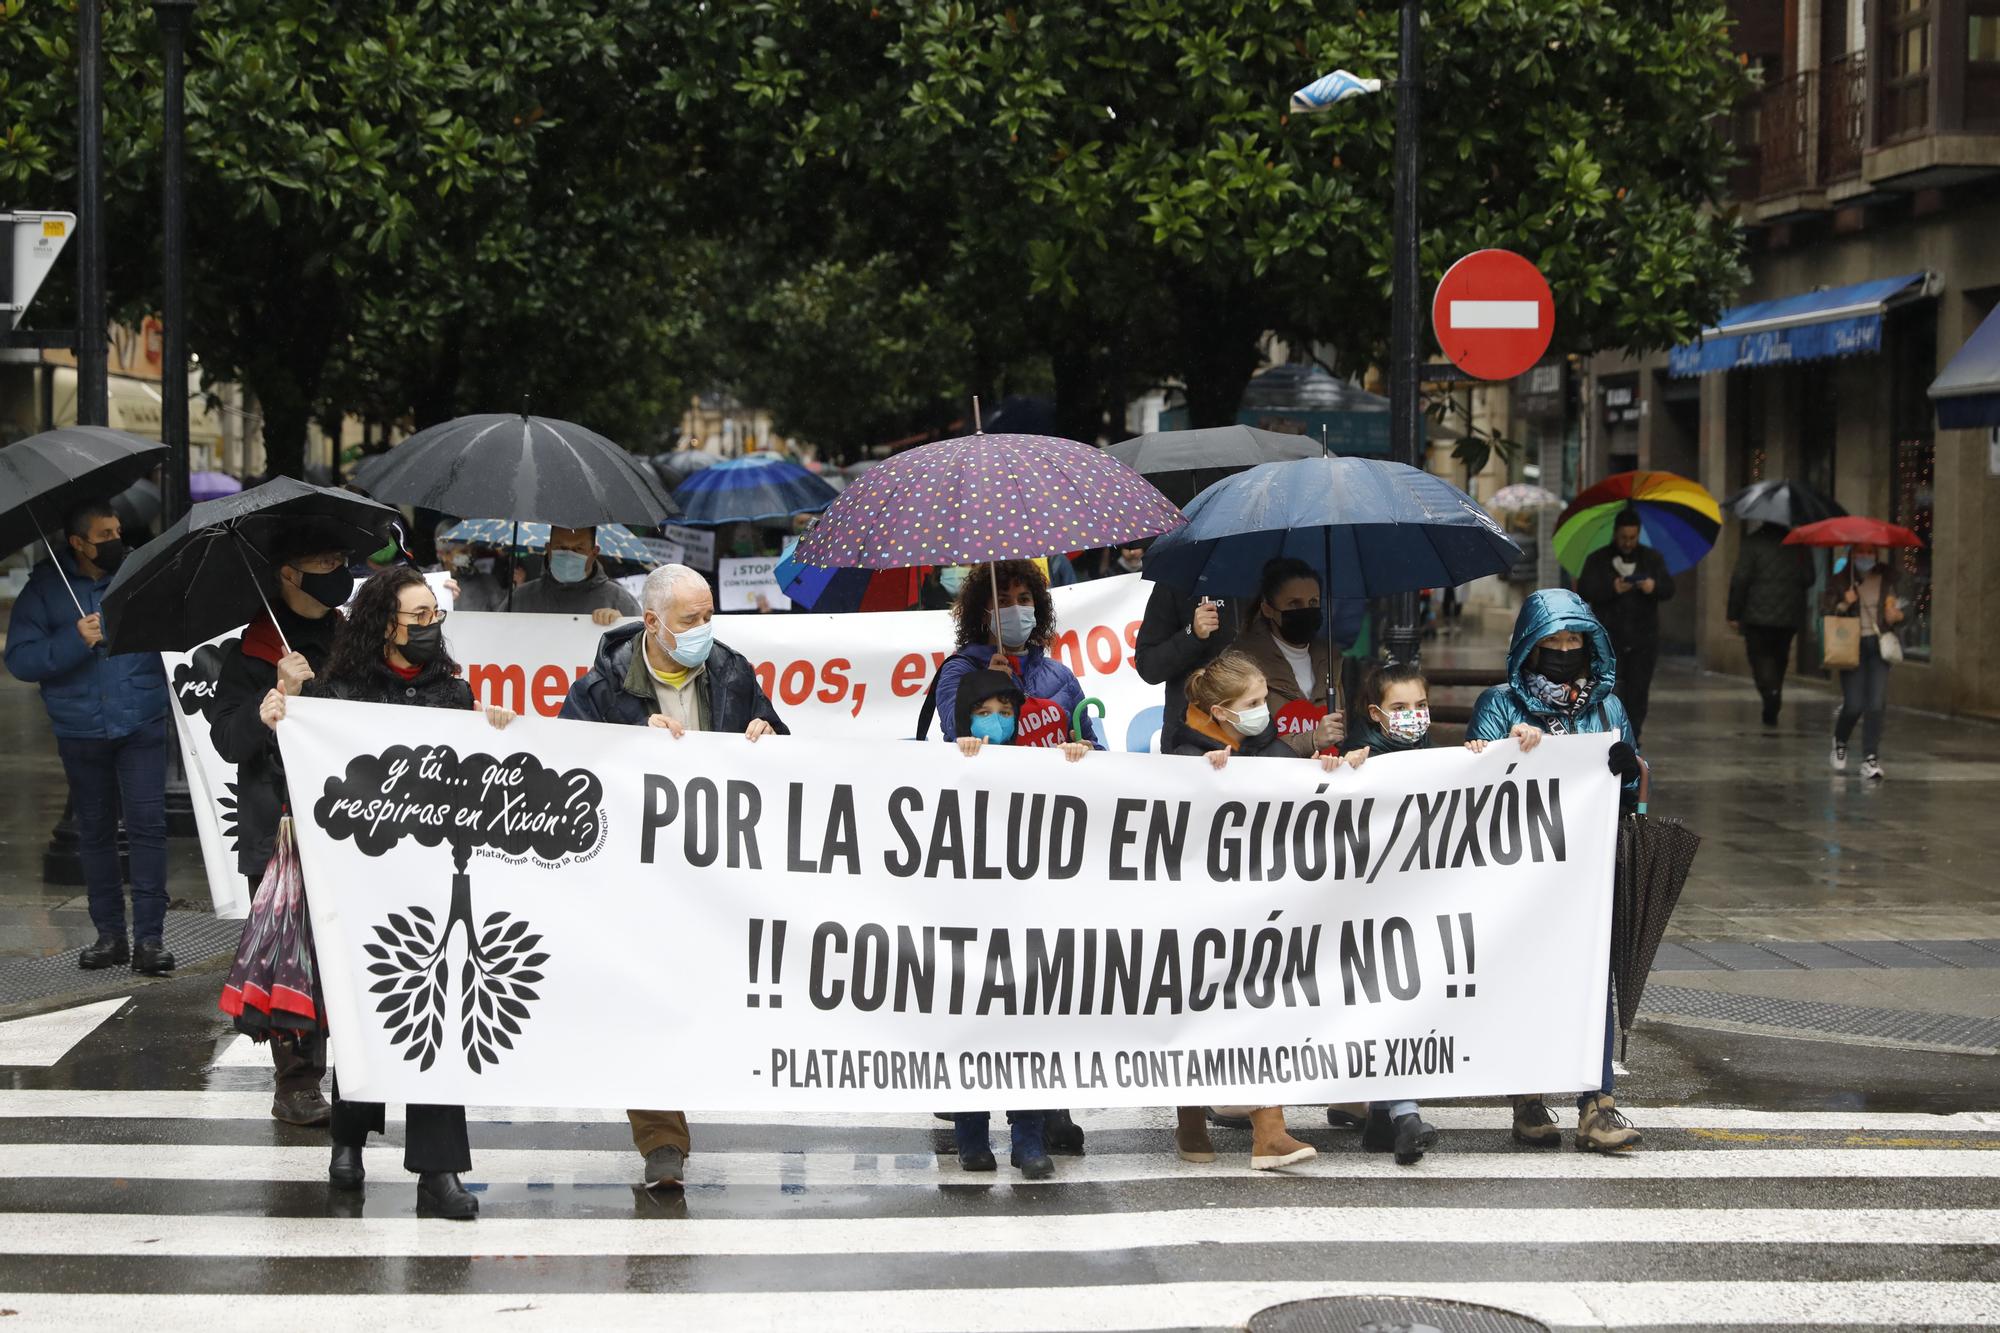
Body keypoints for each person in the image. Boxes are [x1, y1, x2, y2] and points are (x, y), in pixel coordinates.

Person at [259, 566, 512, 1220]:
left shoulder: (454, 694)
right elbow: (302, 778)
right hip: (360, 880)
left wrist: (499, 733)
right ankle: (348, 1138)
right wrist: (285, 714)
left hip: (433, 880)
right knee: (365, 1016)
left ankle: (439, 1173)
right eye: (417, 617)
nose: (430, 627)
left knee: (435, 1018)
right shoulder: (338, 692)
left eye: (435, 615)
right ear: (385, 624)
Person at [559, 562, 787, 1189]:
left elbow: (784, 748)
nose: (704, 629)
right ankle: (662, 1138)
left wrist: (768, 732)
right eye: (692, 620)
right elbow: (567, 764)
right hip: (638, 879)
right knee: (645, 997)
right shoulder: (601, 689)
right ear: (653, 623)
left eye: (710, 616)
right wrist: (636, 734)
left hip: (717, 872)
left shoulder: (732, 670)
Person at [1467, 589, 1645, 1154]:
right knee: (1528, 974)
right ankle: (1527, 1098)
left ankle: (1598, 1103)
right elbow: (1478, 778)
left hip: (1590, 866)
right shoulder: (1500, 703)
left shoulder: (1608, 706)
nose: (1566, 650)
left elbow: (1632, 784)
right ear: (1531, 646)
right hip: (1521, 869)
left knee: (1593, 975)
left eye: (1575, 640)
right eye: (1554, 641)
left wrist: (1626, 769)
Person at [1343, 663, 1544, 1164]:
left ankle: (1383, 1120)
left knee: (1407, 1003)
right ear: (1375, 714)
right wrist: (1339, 764)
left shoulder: (1442, 759)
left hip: (1422, 905)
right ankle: (1405, 1116)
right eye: (1399, 709)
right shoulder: (1359, 760)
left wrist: (1496, 751)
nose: (1413, 717)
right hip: (1375, 910)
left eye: (1419, 707)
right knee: (1390, 1001)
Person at [1169, 650, 1344, 1171]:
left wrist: (1336, 768)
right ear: (1222, 712)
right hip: (1206, 908)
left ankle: (1269, 1132)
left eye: (1264, 698)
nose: (1263, 710)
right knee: (1201, 1008)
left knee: (1261, 1005)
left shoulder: (1269, 747)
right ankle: (1190, 1118)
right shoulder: (1182, 752)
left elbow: (1300, 779)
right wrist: (1206, 779)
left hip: (1262, 906)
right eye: (1252, 702)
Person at [208, 529, 359, 1127]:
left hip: (350, 820)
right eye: (324, 557)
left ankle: (358, 1069)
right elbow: (227, 740)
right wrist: (275, 699)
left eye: (340, 557)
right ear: (289, 575)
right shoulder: (252, 651)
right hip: (281, 829)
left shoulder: (357, 637)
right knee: (291, 959)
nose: (337, 567)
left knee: (347, 951)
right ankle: (296, 1082)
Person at [4, 501, 172, 975]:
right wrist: (74, 640)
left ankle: (151, 940)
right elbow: (20, 660)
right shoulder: (44, 590)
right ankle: (110, 937)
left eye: (118, 529)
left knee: (147, 829)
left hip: (139, 721)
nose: (116, 540)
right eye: (104, 534)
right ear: (77, 543)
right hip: (80, 729)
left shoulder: (135, 575)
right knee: (95, 834)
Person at [944, 668, 1090, 1178]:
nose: (996, 723)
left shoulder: (1040, 763)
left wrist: (1075, 761)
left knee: (1028, 1028)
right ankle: (971, 1138)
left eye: (1006, 714)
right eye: (984, 714)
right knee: (970, 1029)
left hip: (1028, 920)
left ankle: (1028, 1141)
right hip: (967, 923)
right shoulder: (943, 763)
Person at [927, 561, 1105, 749]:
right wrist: (986, 686)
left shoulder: (1061, 675)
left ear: (1036, 606)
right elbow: (956, 730)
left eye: (1024, 599)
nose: (1016, 609)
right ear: (983, 614)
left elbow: (1094, 748)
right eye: (1003, 601)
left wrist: (1087, 749)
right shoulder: (958, 670)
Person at [1232, 557, 1346, 758]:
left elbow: (1342, 733)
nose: (1305, 610)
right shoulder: (1240, 662)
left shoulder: (1331, 659)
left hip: (1326, 782)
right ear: (1268, 609)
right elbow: (1240, 744)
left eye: (1313, 602)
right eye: (1294, 603)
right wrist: (1311, 740)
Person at [1575, 509, 1674, 741]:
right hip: (1608, 640)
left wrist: (1653, 587)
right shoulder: (1598, 559)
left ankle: (1633, 736)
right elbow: (1585, 590)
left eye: (1632, 537)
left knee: (1638, 692)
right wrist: (1612, 589)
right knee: (1608, 689)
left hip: (1643, 639)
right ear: (1615, 534)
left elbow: (1669, 589)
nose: (1628, 542)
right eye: (1623, 537)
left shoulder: (1652, 559)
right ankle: (1609, 734)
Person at [1825, 545, 1904, 783]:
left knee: (1876, 702)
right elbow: (1826, 609)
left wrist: (1897, 616)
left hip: (1879, 646)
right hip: (1851, 645)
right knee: (1854, 704)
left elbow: (1902, 610)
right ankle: (1840, 740)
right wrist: (1844, 604)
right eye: (1860, 552)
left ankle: (1870, 758)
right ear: (1852, 554)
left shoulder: (1887, 578)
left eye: (1870, 552)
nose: (1865, 557)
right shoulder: (1841, 580)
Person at [1134, 580, 1241, 754]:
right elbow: (1148, 666)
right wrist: (1192, 634)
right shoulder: (1173, 584)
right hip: (1189, 736)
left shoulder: (1257, 573)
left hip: (1251, 733)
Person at [1728, 522, 1815, 727]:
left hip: (1756, 615)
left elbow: (1740, 578)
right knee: (1780, 656)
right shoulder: (1798, 543)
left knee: (1759, 657)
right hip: (1789, 614)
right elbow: (1809, 577)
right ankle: (1774, 690)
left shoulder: (1752, 542)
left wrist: (1733, 613)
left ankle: (1770, 692)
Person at [506, 525, 637, 625]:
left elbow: (642, 648)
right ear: (549, 549)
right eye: (561, 547)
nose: (568, 555)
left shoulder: (619, 601)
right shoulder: (520, 598)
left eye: (578, 549)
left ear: (594, 553)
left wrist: (622, 625)